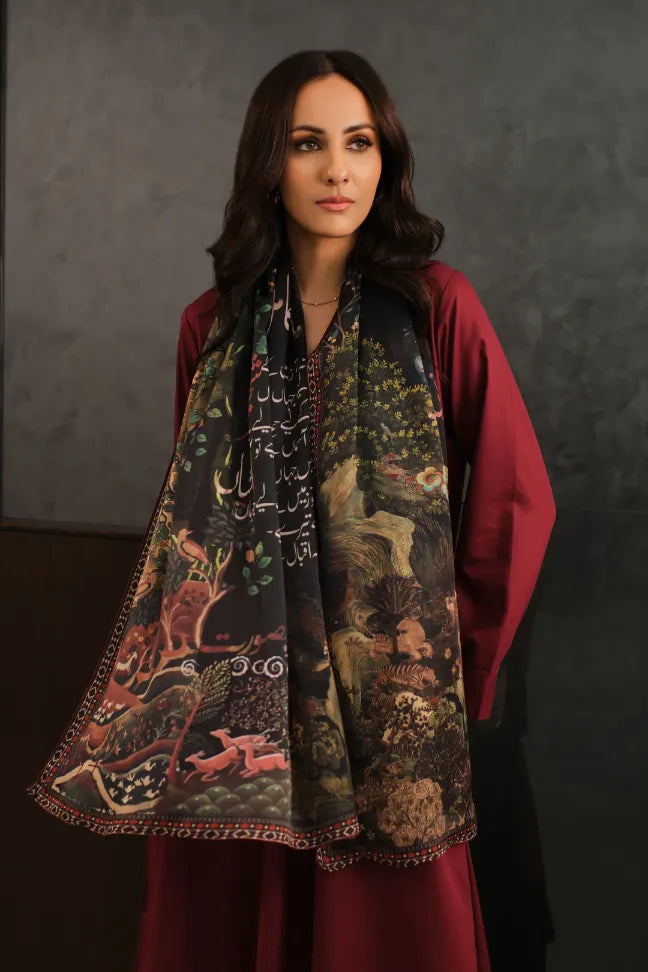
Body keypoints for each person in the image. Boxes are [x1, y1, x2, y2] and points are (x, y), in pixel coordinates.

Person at [28, 50, 556, 972]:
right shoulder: (213, 324)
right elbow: (190, 525)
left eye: (360, 143)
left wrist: (455, 663)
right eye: (309, 144)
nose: (337, 169)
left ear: (386, 159)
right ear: (269, 162)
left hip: (392, 691)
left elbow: (515, 499)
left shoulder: (434, 307)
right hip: (239, 699)